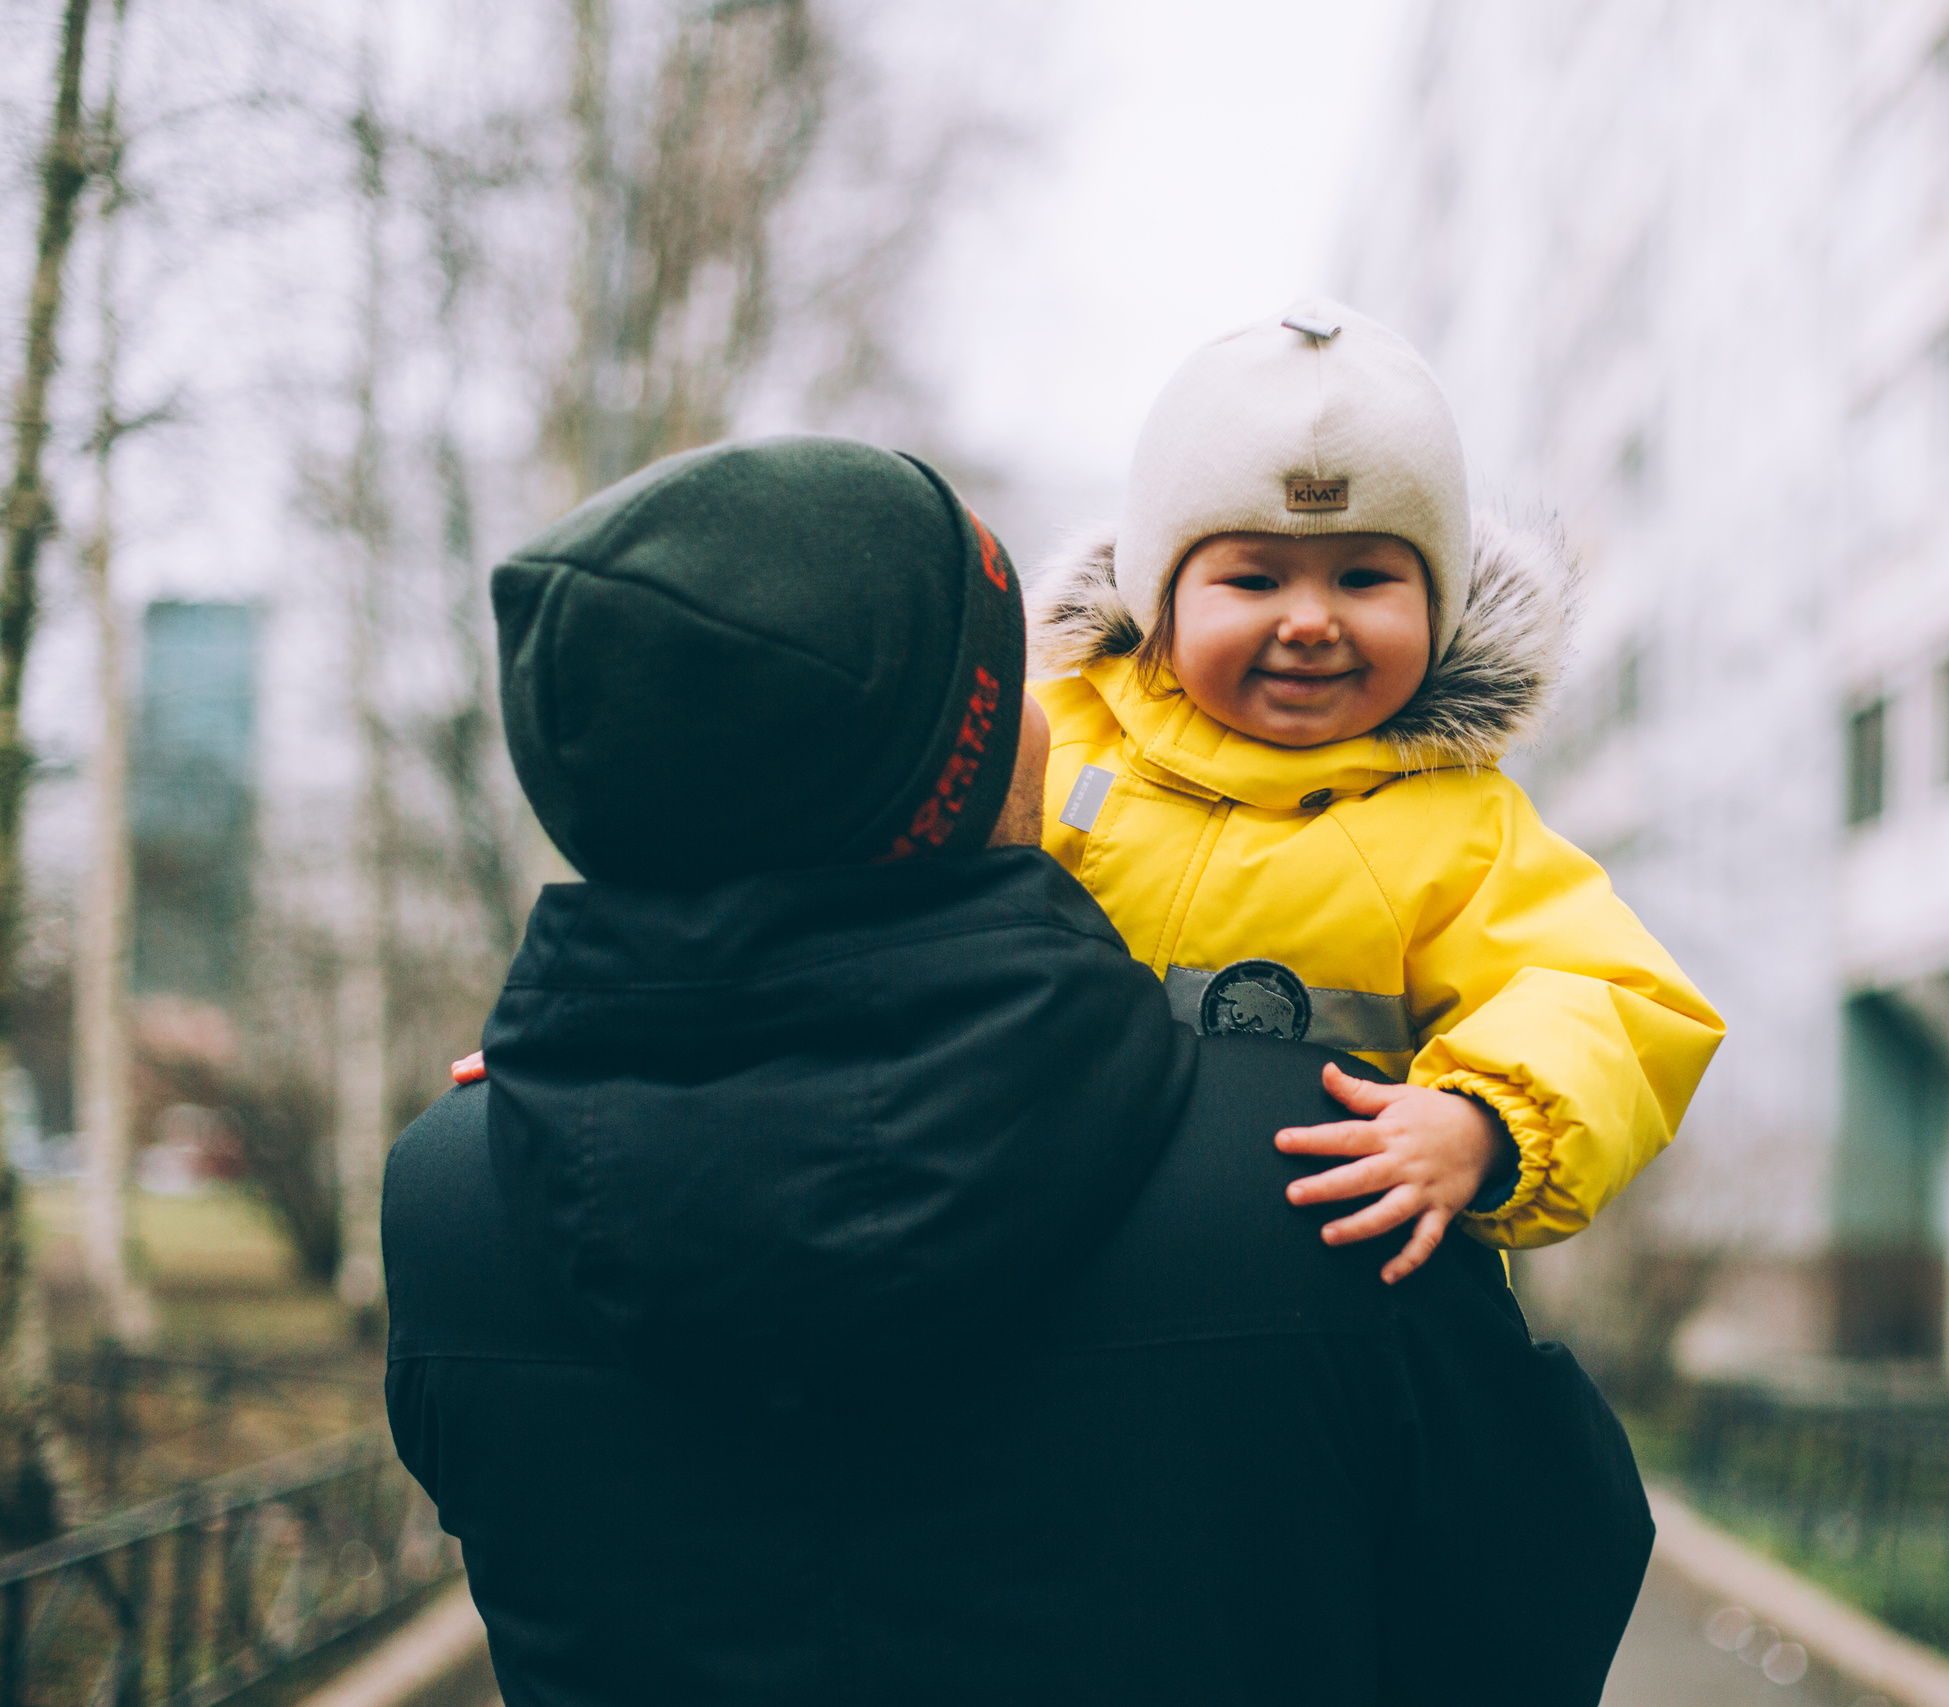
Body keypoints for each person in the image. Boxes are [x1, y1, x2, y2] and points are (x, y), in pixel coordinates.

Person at [384, 436, 1656, 1706]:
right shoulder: (1325, 1171)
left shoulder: (453, 1190)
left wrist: (596, 1038)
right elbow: (1531, 1595)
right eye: (1016, 672)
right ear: (972, 762)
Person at [1030, 300, 1725, 1284]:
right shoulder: (1052, 749)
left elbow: (1612, 1000)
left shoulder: (1458, 825)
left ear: (1437, 608)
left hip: (1313, 1309)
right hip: (1042, 1270)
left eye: (1363, 577)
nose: (1311, 620)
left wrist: (1483, 1122)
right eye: (1255, 579)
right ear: (1159, 597)